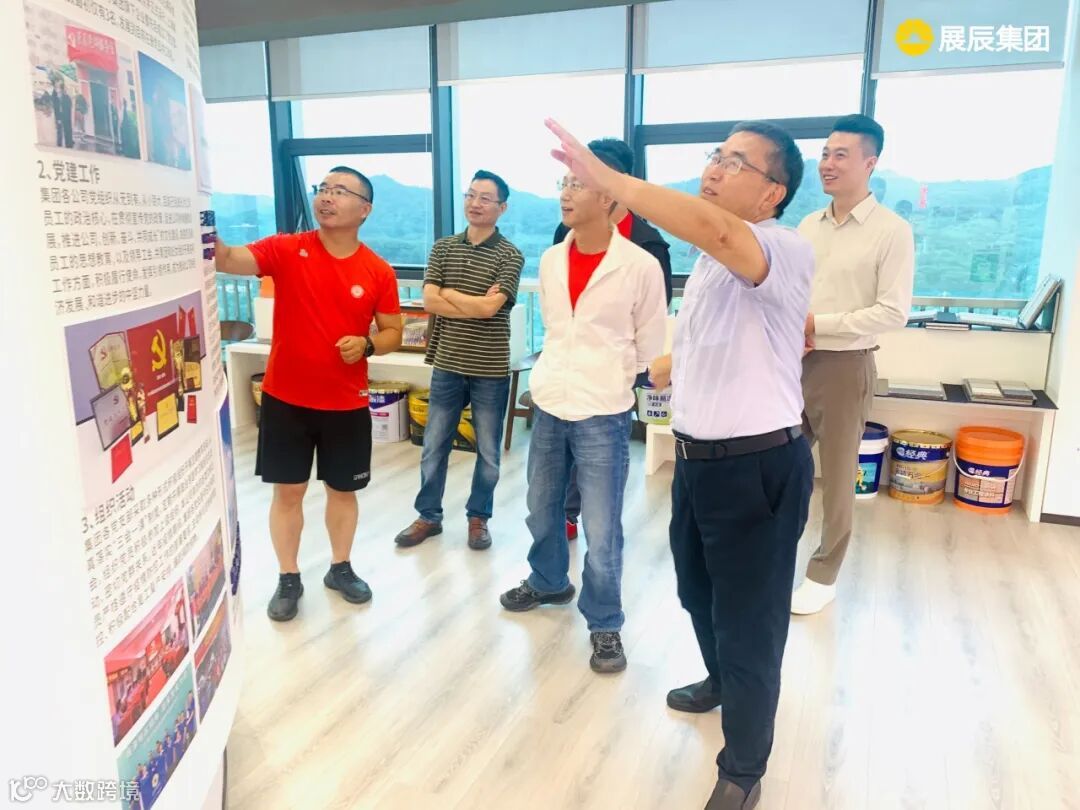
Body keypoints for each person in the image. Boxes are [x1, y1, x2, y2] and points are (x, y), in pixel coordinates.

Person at [545, 118, 814, 809]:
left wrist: (612, 180)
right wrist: (657, 366)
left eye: (737, 162)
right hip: (698, 462)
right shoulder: (712, 263)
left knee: (750, 621)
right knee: (698, 592)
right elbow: (708, 340)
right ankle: (721, 681)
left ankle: (743, 768)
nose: (716, 168)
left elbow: (717, 231)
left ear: (773, 193)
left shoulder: (781, 246)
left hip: (758, 466)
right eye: (716, 155)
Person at [499, 152, 667, 674]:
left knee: (600, 522)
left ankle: (605, 620)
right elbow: (557, 329)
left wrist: (612, 375)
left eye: (578, 184)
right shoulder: (552, 258)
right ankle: (549, 581)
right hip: (551, 400)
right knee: (540, 504)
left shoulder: (639, 264)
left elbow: (650, 344)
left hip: (603, 409)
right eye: (564, 182)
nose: (565, 193)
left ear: (609, 197)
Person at [214, 166, 402, 622]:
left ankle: (340, 568)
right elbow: (227, 259)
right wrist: (199, 218)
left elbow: (393, 331)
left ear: (364, 209)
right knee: (289, 492)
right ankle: (288, 576)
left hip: (346, 401)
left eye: (341, 191)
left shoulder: (378, 270)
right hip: (286, 399)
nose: (327, 197)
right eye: (324, 188)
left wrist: (368, 345)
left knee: (343, 491)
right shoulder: (286, 249)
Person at [791, 115, 914, 615]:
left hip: (845, 367)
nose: (827, 163)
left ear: (870, 163)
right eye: (825, 153)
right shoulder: (807, 225)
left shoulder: (892, 231)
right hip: (792, 361)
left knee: (839, 478)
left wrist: (817, 324)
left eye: (840, 154)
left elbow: (893, 311)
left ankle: (823, 575)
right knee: (782, 465)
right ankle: (774, 553)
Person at [394, 170, 524, 551]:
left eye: (485, 198)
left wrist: (449, 294)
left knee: (488, 451)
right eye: (470, 195)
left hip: (489, 367)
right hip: (448, 361)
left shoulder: (510, 254)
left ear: (502, 207)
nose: (474, 203)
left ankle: (478, 517)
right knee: (434, 444)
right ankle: (428, 516)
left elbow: (489, 310)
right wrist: (470, 301)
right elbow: (429, 301)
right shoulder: (444, 248)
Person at [551, 137, 673, 542]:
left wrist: (628, 367)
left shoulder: (648, 243)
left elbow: (655, 313)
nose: (570, 192)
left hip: (614, 371)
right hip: (569, 368)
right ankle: (568, 514)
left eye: (583, 179)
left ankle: (600, 528)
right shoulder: (565, 231)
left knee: (604, 453)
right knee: (564, 450)